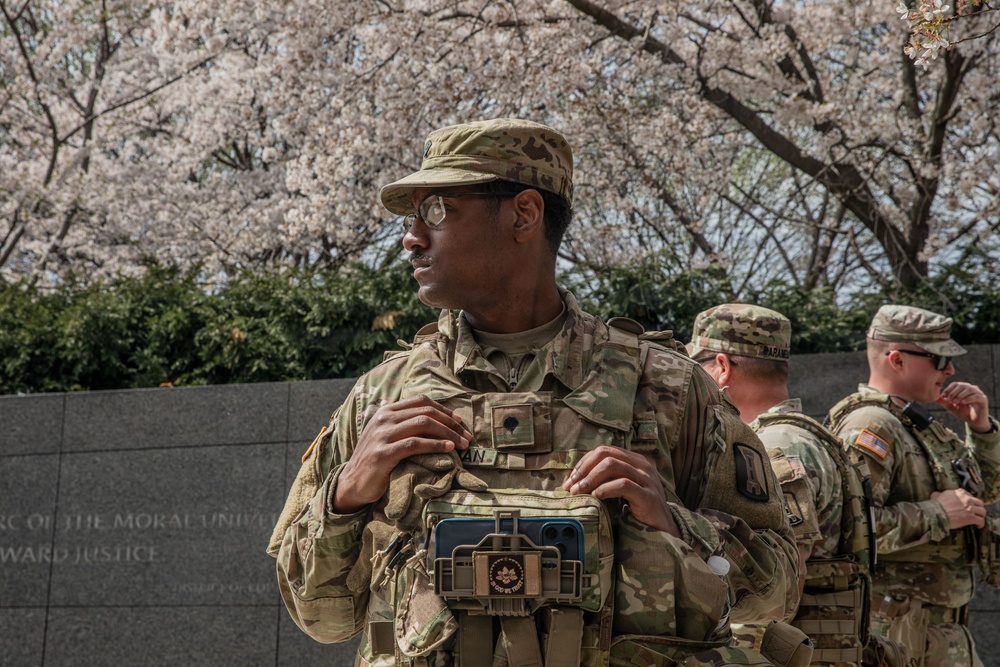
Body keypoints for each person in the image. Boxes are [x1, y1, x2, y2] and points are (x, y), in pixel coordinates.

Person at [267, 118, 802, 667]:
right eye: (412, 217)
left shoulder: (669, 389)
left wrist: (673, 522)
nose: (412, 237)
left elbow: (778, 590)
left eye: (436, 211)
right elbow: (321, 618)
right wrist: (346, 494)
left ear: (524, 214)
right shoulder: (381, 397)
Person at [687, 304, 909, 667]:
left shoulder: (774, 445)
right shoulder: (804, 436)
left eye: (698, 366)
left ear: (722, 368)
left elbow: (785, 581)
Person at [827, 305, 1000, 667]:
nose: (950, 370)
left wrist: (981, 429)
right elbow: (848, 529)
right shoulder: (871, 425)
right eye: (939, 359)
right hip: (898, 634)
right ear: (896, 359)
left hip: (937, 631)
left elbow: (986, 493)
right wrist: (938, 514)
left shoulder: (913, 422)